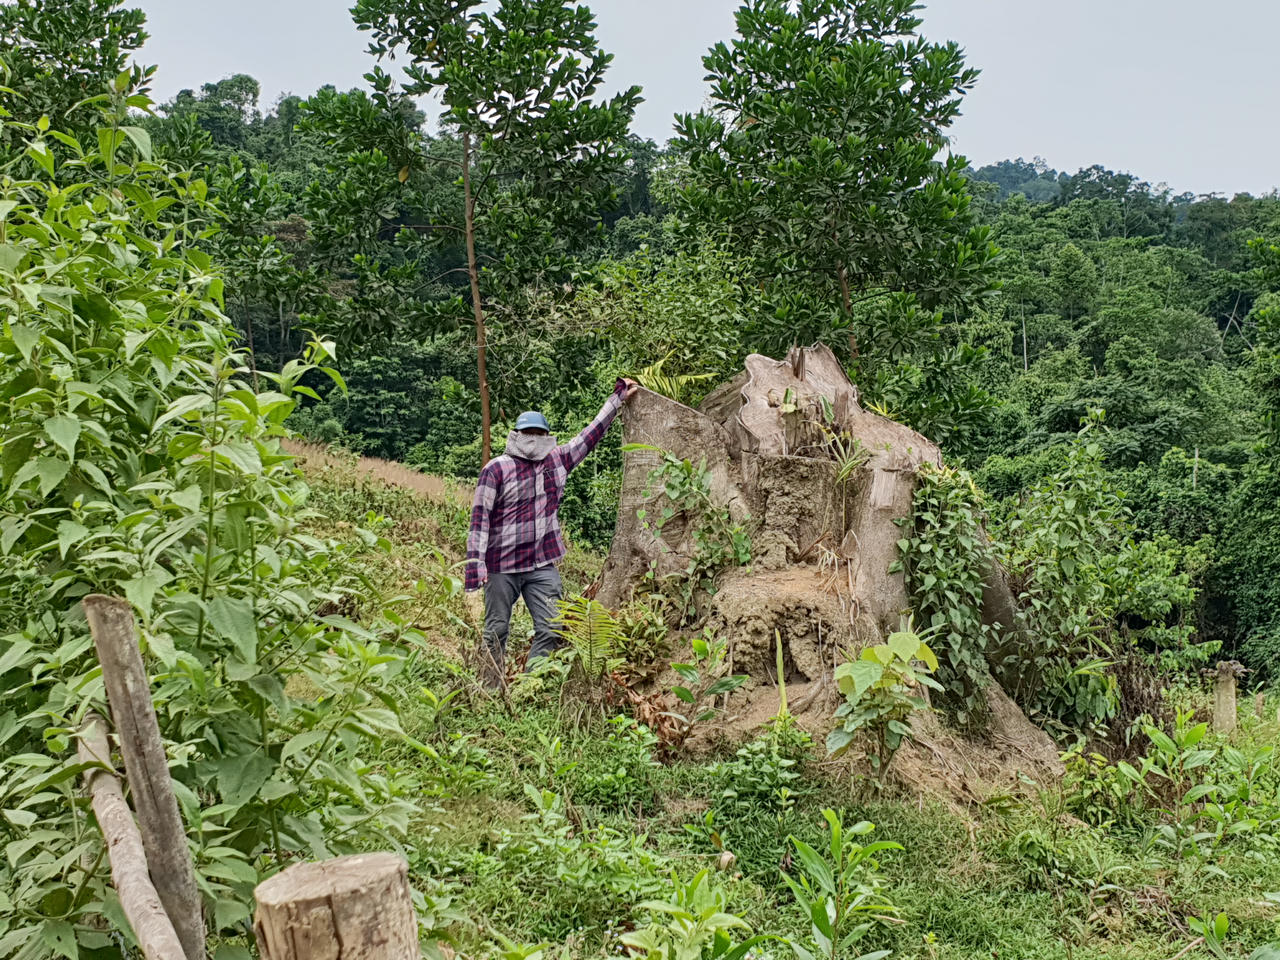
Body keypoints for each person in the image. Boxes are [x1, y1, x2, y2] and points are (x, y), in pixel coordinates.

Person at [465, 377, 639, 688]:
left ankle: (530, 687)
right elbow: (480, 519)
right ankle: (489, 692)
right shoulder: (496, 469)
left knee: (551, 628)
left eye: (539, 434)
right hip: (501, 566)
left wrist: (617, 400)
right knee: (496, 630)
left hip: (541, 564)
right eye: (527, 433)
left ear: (547, 436)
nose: (533, 439)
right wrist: (476, 564)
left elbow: (589, 435)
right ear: (516, 435)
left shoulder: (556, 460)